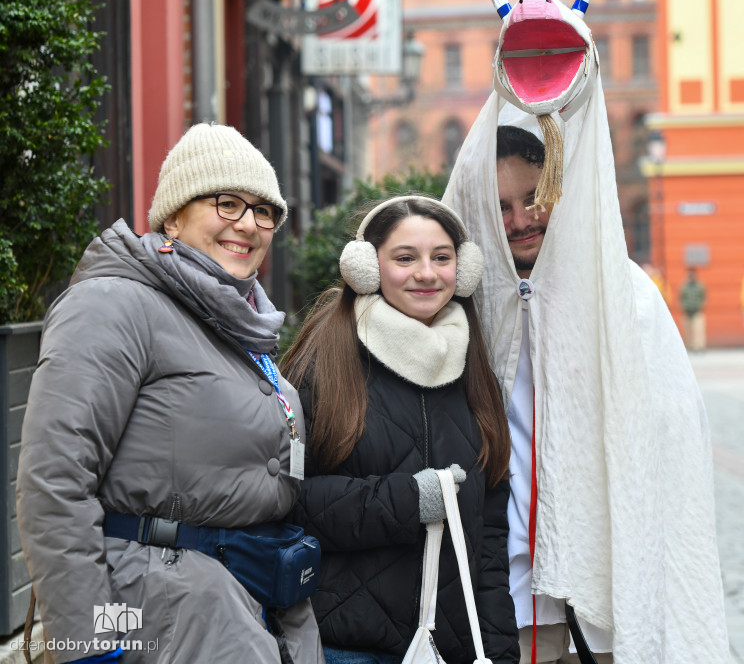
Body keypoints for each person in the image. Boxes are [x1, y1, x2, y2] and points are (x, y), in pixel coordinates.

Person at [16, 124, 324, 664]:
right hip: (161, 618)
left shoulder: (238, 318)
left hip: (253, 608)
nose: (249, 224)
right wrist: (89, 647)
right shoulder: (114, 305)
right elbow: (55, 482)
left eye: (264, 211)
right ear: (174, 216)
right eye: (228, 204)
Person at [444, 112, 729, 664]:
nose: (520, 219)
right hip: (502, 597)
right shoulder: (464, 302)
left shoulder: (624, 295)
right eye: (500, 206)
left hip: (598, 596)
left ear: (560, 191)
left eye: (533, 196)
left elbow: (669, 440)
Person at [281, 195, 520, 664]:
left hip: (452, 648)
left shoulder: (472, 366)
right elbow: (290, 501)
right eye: (405, 258)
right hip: (345, 646)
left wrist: (499, 649)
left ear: (464, 268)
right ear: (367, 267)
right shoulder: (325, 359)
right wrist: (409, 501)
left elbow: (488, 539)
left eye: (442, 258)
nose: (427, 273)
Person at [679, 267, 707, 351]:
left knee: (698, 330)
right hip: (686, 311)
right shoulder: (683, 286)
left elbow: (704, 297)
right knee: (687, 330)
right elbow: (680, 298)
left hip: (697, 311)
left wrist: (701, 306)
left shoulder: (700, 285)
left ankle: (699, 346)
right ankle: (689, 346)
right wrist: (683, 307)